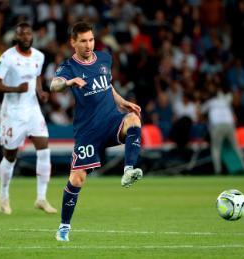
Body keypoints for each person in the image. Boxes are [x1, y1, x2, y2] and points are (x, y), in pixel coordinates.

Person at [50, 22, 143, 242]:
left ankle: (129, 169)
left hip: (111, 121)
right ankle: (64, 227)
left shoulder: (104, 59)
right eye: (83, 40)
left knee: (133, 119)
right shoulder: (68, 67)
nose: (88, 44)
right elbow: (54, 85)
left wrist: (123, 102)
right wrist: (69, 82)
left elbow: (107, 86)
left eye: (91, 39)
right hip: (88, 131)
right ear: (73, 42)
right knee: (77, 179)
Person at [0, 22, 57, 215]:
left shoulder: (39, 56)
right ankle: (3, 196)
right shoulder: (7, 57)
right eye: (22, 35)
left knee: (44, 149)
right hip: (13, 113)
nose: (25, 37)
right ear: (16, 37)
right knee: (10, 156)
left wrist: (40, 91)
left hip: (33, 110)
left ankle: (41, 198)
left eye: (28, 34)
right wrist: (15, 89)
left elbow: (37, 76)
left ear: (32, 36)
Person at [200, 86, 244, 174]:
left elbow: (201, 110)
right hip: (229, 125)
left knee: (216, 149)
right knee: (236, 147)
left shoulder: (210, 102)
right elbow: (231, 97)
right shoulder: (225, 101)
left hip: (217, 126)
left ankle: (218, 171)